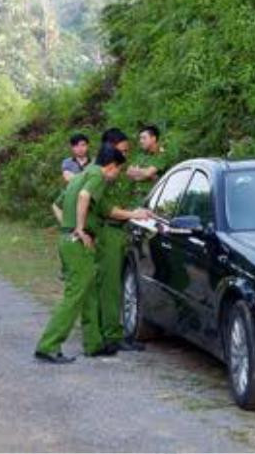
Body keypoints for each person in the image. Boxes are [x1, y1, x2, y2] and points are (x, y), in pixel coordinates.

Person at [35, 145, 147, 363]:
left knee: (89, 293)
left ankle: (94, 344)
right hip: (77, 242)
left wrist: (136, 214)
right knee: (75, 295)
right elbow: (85, 196)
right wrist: (78, 227)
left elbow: (107, 210)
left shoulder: (82, 175)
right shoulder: (97, 175)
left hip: (70, 241)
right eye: (117, 171)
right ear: (111, 167)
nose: (116, 176)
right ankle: (48, 346)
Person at [91, 127, 148, 353]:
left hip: (117, 231)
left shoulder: (110, 171)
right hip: (108, 232)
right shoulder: (101, 174)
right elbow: (106, 208)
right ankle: (110, 336)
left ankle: (107, 331)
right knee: (110, 286)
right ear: (110, 148)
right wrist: (134, 214)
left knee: (113, 284)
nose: (125, 155)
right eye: (122, 150)